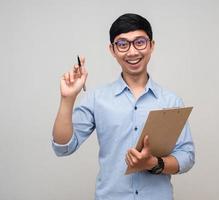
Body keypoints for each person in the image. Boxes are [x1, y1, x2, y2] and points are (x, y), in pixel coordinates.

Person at [52, 13, 195, 200]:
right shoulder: (97, 99)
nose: (132, 52)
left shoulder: (170, 101)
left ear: (152, 45)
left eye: (140, 42)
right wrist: (67, 99)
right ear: (112, 49)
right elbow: (63, 147)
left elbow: (187, 156)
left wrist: (153, 163)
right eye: (122, 44)